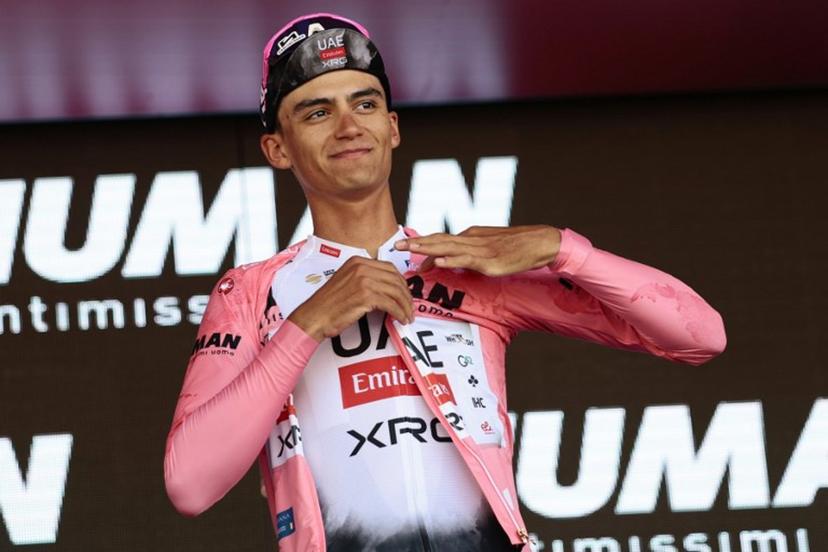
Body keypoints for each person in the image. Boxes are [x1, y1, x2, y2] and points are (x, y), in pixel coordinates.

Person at [164, 12, 726, 552]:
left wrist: (564, 248)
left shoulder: (468, 271)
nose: (348, 126)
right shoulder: (253, 293)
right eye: (317, 112)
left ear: (392, 127)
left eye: (365, 104)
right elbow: (190, 486)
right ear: (277, 149)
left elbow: (701, 336)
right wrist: (307, 323)